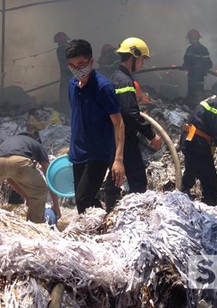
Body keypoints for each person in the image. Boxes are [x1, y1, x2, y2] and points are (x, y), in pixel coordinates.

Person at [65, 39, 125, 214]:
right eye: (72, 65)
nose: (77, 69)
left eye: (81, 64)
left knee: (84, 199)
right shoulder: (72, 86)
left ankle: (102, 228)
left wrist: (118, 159)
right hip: (78, 152)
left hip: (98, 152)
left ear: (91, 61)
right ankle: (95, 229)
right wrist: (72, 145)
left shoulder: (103, 87)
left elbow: (119, 123)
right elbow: (78, 117)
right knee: (81, 202)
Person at [107, 38, 163, 209]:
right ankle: (136, 215)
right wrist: (151, 135)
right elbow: (130, 113)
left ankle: (111, 209)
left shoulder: (115, 76)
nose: (142, 63)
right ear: (133, 57)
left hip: (113, 135)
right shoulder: (125, 81)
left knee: (115, 177)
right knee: (138, 180)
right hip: (124, 138)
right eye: (142, 59)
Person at [0, 133, 61, 223]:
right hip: (20, 161)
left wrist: (27, 197)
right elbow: (49, 176)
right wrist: (56, 206)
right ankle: (34, 225)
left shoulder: (9, 142)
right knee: (39, 193)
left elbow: (9, 179)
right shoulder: (36, 145)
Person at [180, 78, 217, 206]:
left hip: (190, 139)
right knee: (210, 180)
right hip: (197, 142)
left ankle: (181, 194)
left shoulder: (213, 100)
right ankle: (209, 208)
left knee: (191, 171)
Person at [182, 29, 213, 103]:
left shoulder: (203, 50)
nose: (189, 40)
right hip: (191, 75)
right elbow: (186, 60)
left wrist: (200, 66)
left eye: (190, 39)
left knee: (199, 95)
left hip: (199, 76)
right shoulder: (189, 49)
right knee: (191, 92)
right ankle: (189, 104)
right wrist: (186, 65)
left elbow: (209, 64)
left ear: (195, 39)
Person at [54, 31, 71, 112]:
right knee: (64, 94)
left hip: (71, 76)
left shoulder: (67, 48)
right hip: (66, 76)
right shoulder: (60, 50)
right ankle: (65, 110)